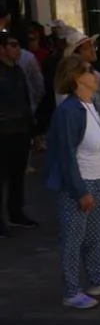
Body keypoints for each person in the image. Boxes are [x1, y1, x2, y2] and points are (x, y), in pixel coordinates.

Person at [43, 55, 100, 309]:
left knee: (94, 236)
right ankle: (71, 292)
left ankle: (98, 280)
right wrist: (80, 191)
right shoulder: (69, 111)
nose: (95, 75)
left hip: (99, 179)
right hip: (80, 185)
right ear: (78, 78)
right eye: (90, 71)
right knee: (73, 240)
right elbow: (66, 154)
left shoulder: (89, 104)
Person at [0, 28, 37, 235]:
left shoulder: (17, 71)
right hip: (3, 133)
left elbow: (26, 98)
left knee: (17, 176)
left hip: (20, 130)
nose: (18, 50)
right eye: (13, 45)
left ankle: (16, 213)